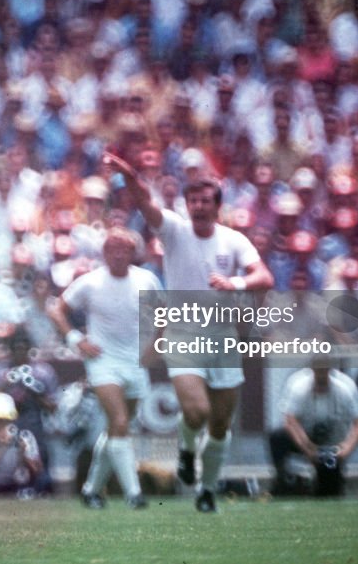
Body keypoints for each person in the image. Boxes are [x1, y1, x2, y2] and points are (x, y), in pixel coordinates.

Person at [104, 152, 274, 513]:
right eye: (192, 200)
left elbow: (265, 277)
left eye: (204, 201)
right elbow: (144, 201)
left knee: (219, 426)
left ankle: (208, 489)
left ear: (217, 206)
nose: (197, 206)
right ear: (186, 204)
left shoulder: (234, 240)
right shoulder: (174, 230)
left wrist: (235, 283)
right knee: (196, 412)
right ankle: (185, 448)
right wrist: (130, 173)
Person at [48, 227, 162, 509]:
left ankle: (91, 489)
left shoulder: (146, 279)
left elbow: (163, 316)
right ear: (105, 253)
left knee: (118, 428)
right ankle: (133, 494)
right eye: (113, 249)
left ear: (133, 253)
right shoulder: (90, 282)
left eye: (125, 249)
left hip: (134, 362)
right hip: (102, 361)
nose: (119, 254)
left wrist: (154, 347)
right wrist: (76, 338)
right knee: (120, 422)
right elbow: (57, 310)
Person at [269, 356, 358, 496]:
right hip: (305, 438)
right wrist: (308, 449)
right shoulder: (298, 385)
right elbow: (291, 421)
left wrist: (345, 449)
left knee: (329, 491)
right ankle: (282, 479)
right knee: (277, 437)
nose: (321, 374)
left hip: (333, 443)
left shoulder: (345, 388)